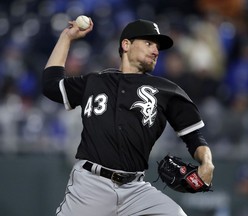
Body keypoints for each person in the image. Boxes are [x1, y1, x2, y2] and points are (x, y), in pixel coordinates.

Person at [42, 18, 214, 216]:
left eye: (157, 47)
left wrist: (207, 161)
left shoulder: (167, 90)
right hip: (90, 186)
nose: (155, 51)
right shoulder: (95, 82)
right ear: (126, 45)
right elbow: (50, 85)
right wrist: (66, 37)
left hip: (135, 190)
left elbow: (194, 136)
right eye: (148, 43)